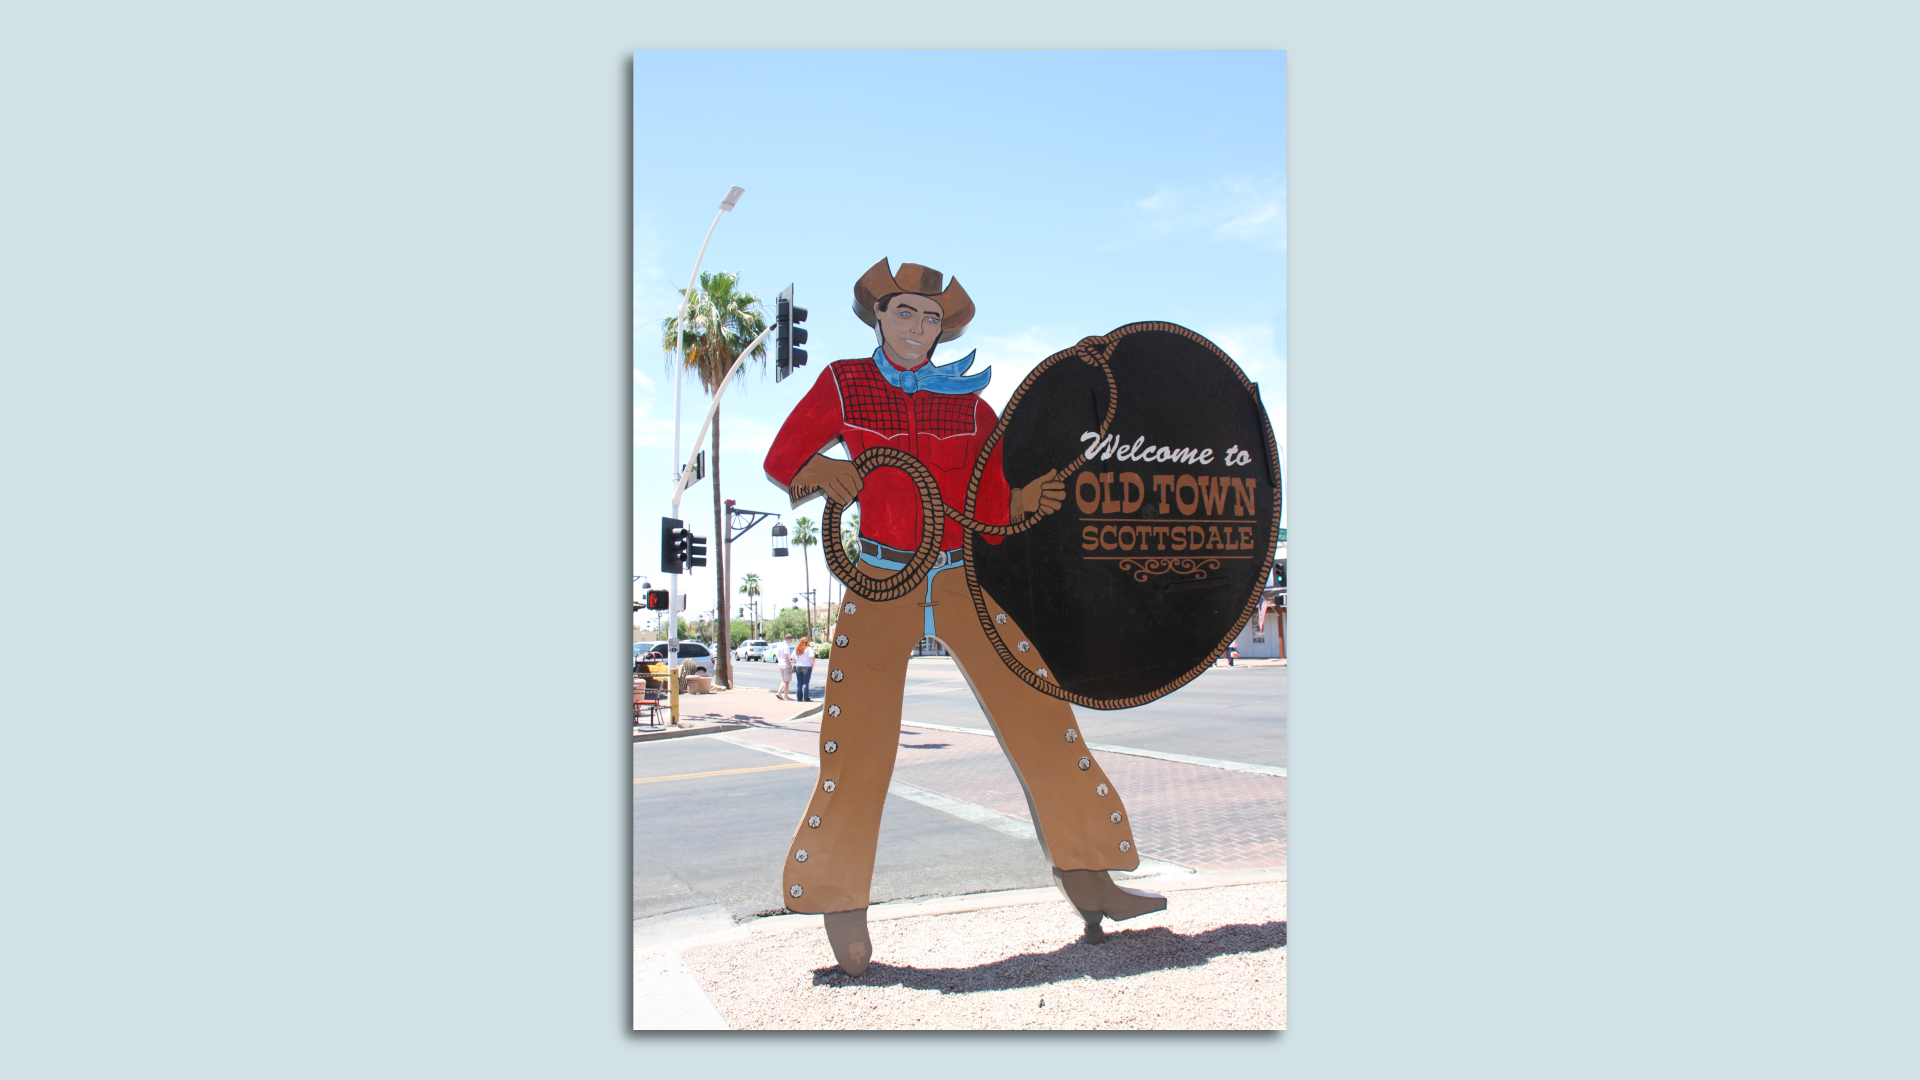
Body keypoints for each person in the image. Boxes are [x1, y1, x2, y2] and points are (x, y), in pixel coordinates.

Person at [762, 258, 1165, 977]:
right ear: (878, 316)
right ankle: (838, 903)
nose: (916, 327)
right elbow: (782, 456)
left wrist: (1025, 500)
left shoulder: (973, 406)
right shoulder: (843, 384)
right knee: (856, 744)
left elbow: (989, 505)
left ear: (942, 327)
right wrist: (825, 472)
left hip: (958, 577)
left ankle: (1092, 878)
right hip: (882, 575)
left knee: (1042, 715)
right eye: (903, 313)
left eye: (929, 317)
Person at [792, 637, 815, 703]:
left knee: (799, 682)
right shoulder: (808, 649)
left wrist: (796, 662)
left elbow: (792, 657)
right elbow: (812, 657)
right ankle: (806, 698)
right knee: (805, 682)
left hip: (798, 666)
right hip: (807, 666)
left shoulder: (797, 648)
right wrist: (812, 665)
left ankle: (799, 698)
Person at [774, 634, 795, 701]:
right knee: (787, 681)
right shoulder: (786, 646)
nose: (791, 642)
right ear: (788, 639)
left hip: (780, 664)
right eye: (791, 640)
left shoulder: (780, 645)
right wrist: (790, 666)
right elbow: (786, 657)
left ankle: (779, 692)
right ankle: (786, 696)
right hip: (785, 665)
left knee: (784, 680)